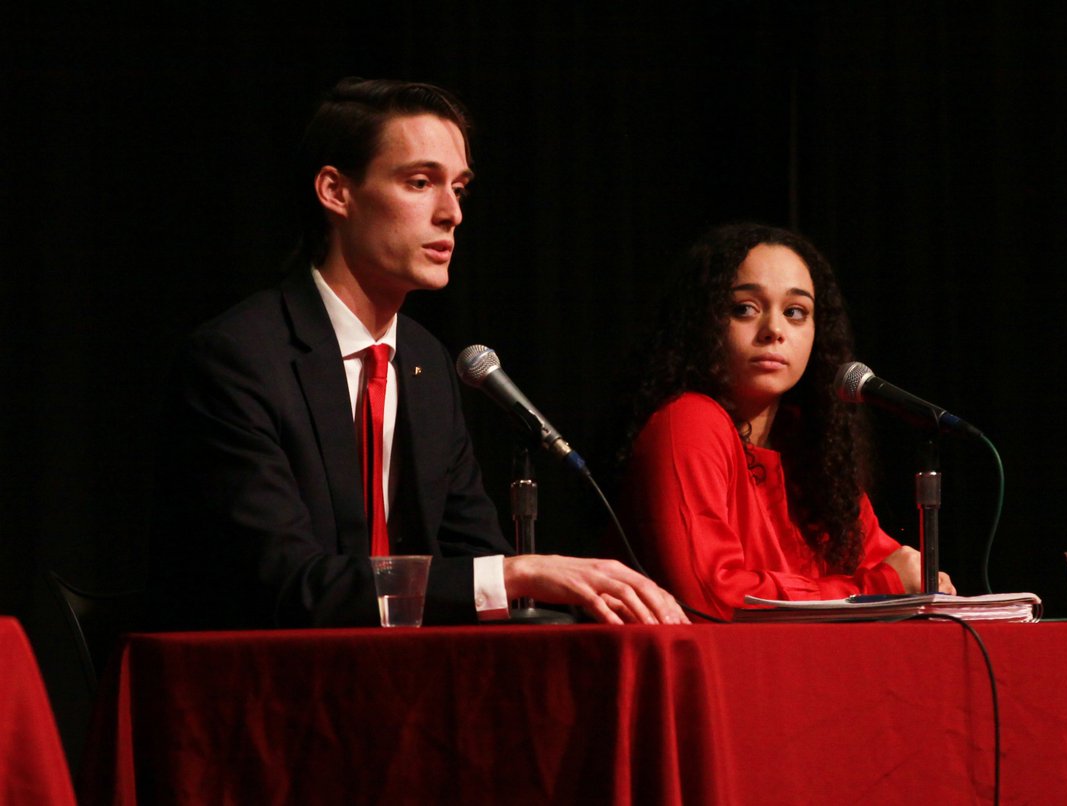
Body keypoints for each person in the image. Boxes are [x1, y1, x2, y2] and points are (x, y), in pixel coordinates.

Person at [147, 77, 686, 629]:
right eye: (421, 182)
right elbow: (286, 583)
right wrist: (515, 574)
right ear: (336, 192)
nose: (451, 212)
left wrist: (574, 595)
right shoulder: (239, 359)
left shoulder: (425, 363)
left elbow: (470, 557)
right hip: (260, 686)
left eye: (460, 188)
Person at [614, 222, 954, 621]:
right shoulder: (688, 420)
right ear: (702, 322)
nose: (774, 330)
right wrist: (881, 586)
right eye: (744, 309)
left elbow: (890, 562)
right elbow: (711, 597)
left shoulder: (809, 444)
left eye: (795, 312)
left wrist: (923, 579)